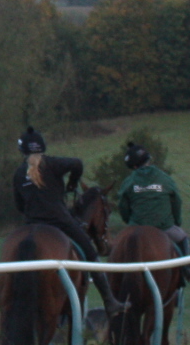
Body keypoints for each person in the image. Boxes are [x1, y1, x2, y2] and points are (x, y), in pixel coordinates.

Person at [11, 125, 125, 311]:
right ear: (43, 147)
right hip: (59, 221)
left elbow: (19, 206)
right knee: (89, 252)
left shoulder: (18, 173)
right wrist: (72, 183)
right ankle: (109, 300)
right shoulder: (53, 164)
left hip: (32, 223)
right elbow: (77, 163)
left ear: (21, 149)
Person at [114, 141, 190, 257]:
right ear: (148, 159)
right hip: (164, 227)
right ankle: (188, 269)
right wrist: (177, 221)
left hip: (136, 227)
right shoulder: (165, 179)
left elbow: (123, 206)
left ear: (134, 166)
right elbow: (177, 201)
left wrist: (129, 221)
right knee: (183, 238)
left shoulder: (128, 182)